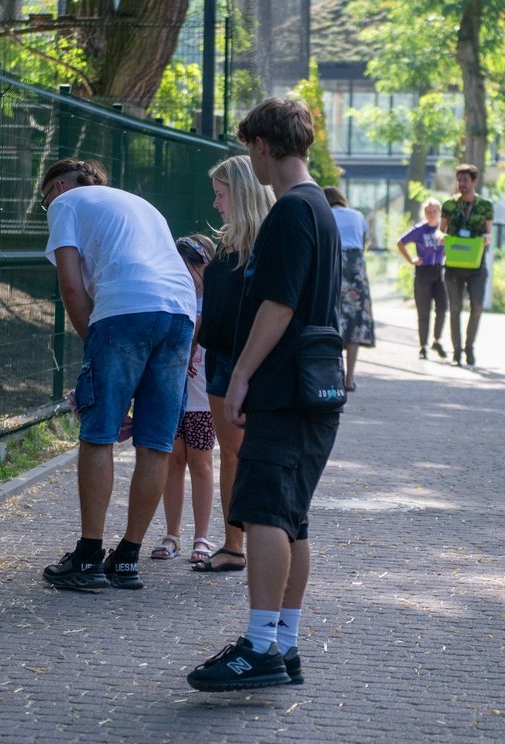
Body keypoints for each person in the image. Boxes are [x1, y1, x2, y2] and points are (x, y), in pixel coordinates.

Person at [186, 97, 342, 691]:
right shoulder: (320, 207)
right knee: (291, 517)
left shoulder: (289, 212)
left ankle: (258, 649)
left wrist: (242, 375)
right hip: (314, 385)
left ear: (260, 146)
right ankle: (284, 643)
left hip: (282, 387)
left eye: (248, 146)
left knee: (265, 514)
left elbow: (278, 305)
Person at [39, 158, 196, 592]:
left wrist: (93, 346)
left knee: (99, 433)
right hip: (180, 312)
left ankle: (88, 557)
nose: (46, 208)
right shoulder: (141, 205)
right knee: (155, 440)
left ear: (55, 187)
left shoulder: (65, 203)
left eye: (43, 199)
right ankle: (127, 558)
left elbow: (71, 286)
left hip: (125, 307)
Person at [191, 154, 275, 573]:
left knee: (252, 455)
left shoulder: (270, 241)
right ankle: (233, 545)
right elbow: (212, 302)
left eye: (220, 194)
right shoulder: (225, 242)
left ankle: (257, 543)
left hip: (253, 363)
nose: (215, 204)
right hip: (219, 359)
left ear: (240, 193)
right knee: (231, 455)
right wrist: (194, 345)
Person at [151, 235, 217, 565]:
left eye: (187, 265)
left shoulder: (216, 301)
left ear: (203, 264)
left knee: (201, 465)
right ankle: (172, 534)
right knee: (173, 462)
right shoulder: (175, 298)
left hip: (203, 400)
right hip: (174, 394)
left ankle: (202, 537)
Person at [440, 164, 493, 367]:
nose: (461, 184)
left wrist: (487, 238)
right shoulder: (449, 205)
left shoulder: (485, 205)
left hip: (476, 265)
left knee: (477, 306)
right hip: (453, 265)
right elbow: (440, 230)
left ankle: (469, 347)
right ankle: (456, 352)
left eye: (465, 180)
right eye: (459, 180)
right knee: (454, 309)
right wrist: (441, 237)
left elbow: (488, 232)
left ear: (474, 181)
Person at [324, 186, 375, 391]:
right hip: (356, 267)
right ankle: (349, 379)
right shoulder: (357, 215)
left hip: (333, 263)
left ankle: (334, 374)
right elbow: (364, 242)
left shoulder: (326, 213)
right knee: (355, 322)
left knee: (332, 318)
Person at [396, 198, 449, 360]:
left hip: (439, 271)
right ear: (424, 213)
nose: (432, 214)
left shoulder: (444, 229)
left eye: (435, 211)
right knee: (423, 311)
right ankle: (423, 346)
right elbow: (400, 242)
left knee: (441, 307)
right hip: (423, 271)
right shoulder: (419, 230)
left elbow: (453, 244)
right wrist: (411, 259)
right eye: (429, 211)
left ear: (440, 213)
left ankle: (436, 340)